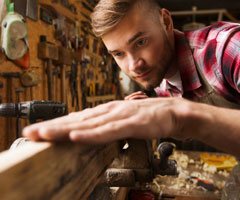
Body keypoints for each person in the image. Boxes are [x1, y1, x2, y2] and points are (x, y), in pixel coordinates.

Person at [23, 0, 240, 156]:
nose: (134, 65)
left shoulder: (226, 48)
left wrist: (180, 116)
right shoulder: (163, 83)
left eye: (141, 42)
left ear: (165, 21)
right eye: (118, 54)